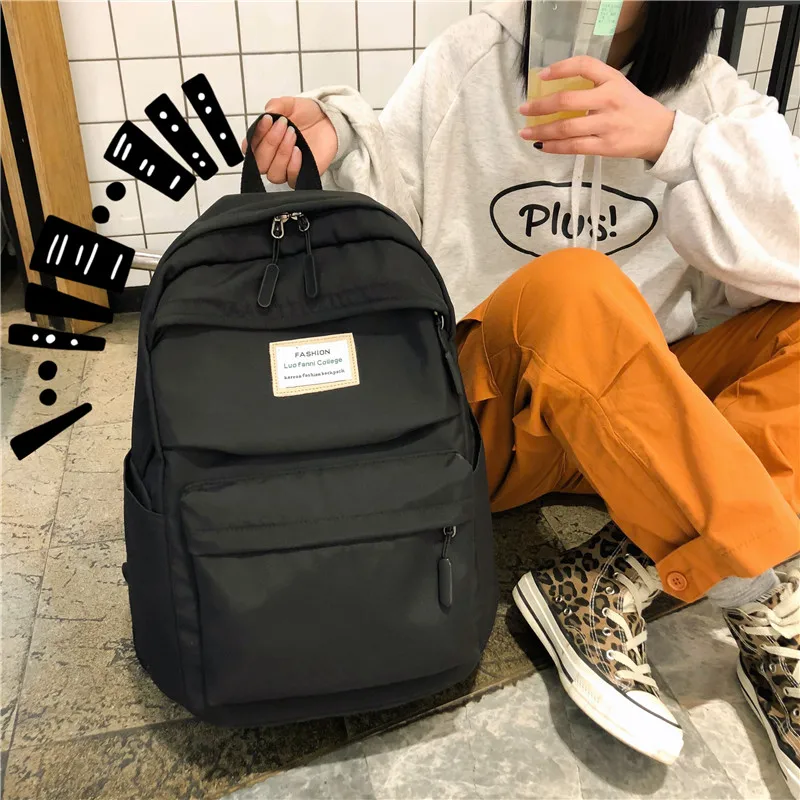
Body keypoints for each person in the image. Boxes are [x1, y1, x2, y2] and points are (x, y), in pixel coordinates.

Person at [246, 0, 800, 789]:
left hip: (635, 427)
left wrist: (673, 142)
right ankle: (760, 589)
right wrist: (337, 141)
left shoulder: (706, 92)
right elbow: (388, 198)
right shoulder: (474, 56)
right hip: (497, 423)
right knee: (574, 283)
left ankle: (604, 577)